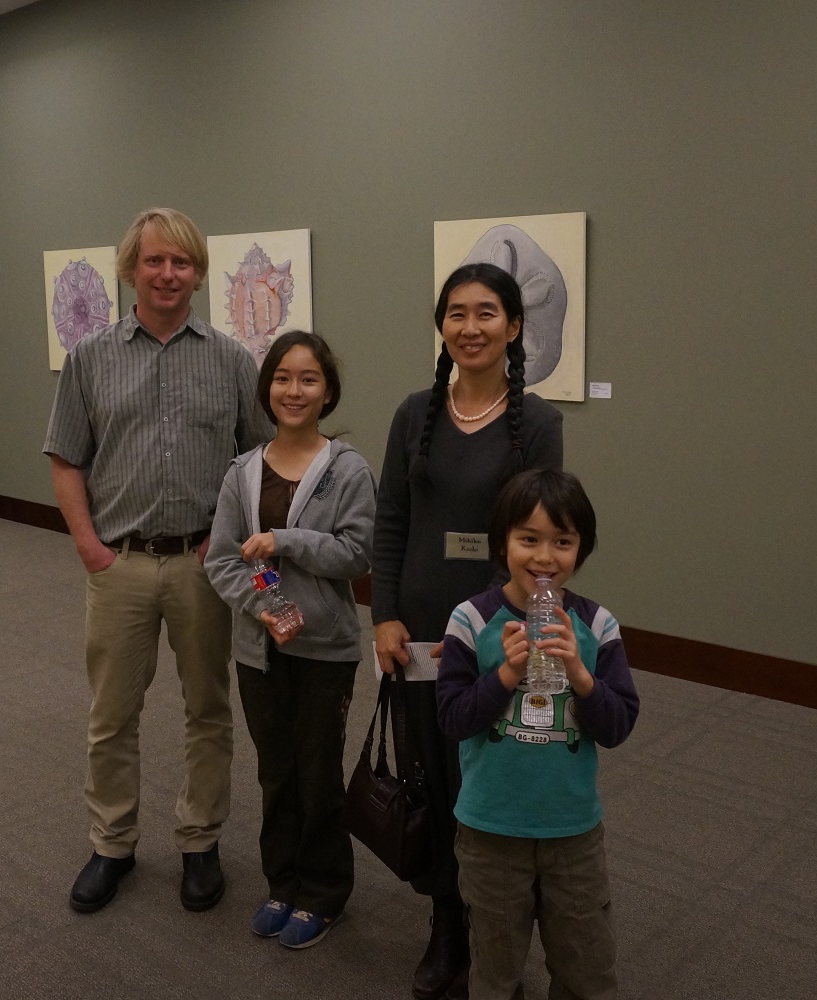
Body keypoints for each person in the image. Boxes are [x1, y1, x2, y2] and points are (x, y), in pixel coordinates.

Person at [43, 207, 272, 914]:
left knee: (208, 709)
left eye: (181, 262)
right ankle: (112, 843)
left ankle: (199, 841)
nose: (168, 274)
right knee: (112, 715)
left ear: (197, 273)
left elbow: (259, 461)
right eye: (154, 261)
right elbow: (65, 458)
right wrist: (88, 547)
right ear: (130, 269)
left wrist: (227, 540)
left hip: (205, 565)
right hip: (120, 565)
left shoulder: (231, 359)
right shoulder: (91, 357)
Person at [371, 263, 564, 999]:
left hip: (496, 635)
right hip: (419, 629)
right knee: (432, 771)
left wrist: (514, 633)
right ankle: (444, 920)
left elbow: (542, 540)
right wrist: (383, 614)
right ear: (442, 326)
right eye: (456, 313)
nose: (470, 327)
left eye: (486, 313)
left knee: (487, 778)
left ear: (513, 327)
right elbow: (392, 520)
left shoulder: (537, 423)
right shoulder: (412, 412)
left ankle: (495, 927)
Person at [436, 469, 640, 1000]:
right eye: (528, 539)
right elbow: (452, 719)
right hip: (490, 829)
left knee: (587, 966)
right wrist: (504, 674)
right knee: (496, 965)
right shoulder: (469, 619)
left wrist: (581, 675)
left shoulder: (597, 625)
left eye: (562, 542)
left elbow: (618, 726)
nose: (545, 557)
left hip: (571, 830)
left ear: (581, 548)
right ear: (502, 542)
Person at [204, 331, 376, 949]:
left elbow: (357, 554)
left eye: (308, 379)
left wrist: (286, 541)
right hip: (259, 651)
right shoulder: (243, 473)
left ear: (327, 391)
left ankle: (323, 893)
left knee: (318, 772)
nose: (294, 390)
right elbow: (222, 560)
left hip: (325, 651)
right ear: (266, 388)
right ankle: (283, 883)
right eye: (282, 378)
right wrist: (265, 607)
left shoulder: (348, 470)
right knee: (276, 772)